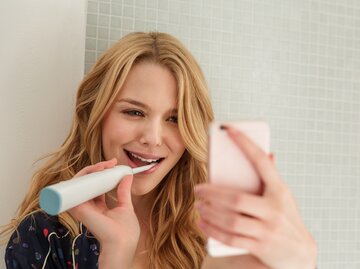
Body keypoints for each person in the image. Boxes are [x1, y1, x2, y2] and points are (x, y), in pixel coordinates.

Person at [0, 32, 317, 269]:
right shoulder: (44, 238)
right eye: (134, 112)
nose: (153, 138)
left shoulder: (213, 238)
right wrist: (118, 253)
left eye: (175, 119)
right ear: (92, 116)